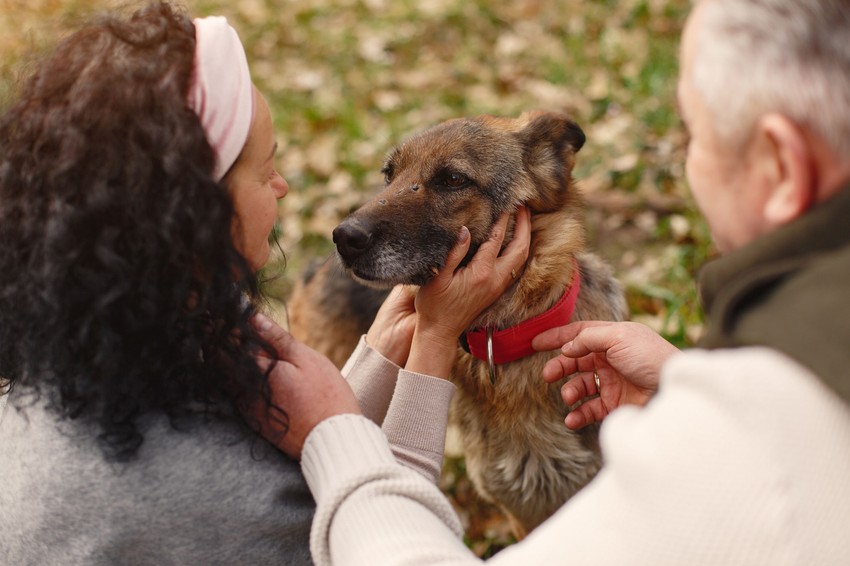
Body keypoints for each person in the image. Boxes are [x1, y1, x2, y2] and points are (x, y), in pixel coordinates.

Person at [257, 0, 850, 564]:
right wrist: (679, 382)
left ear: (782, 165)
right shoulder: (786, 371)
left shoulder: (755, 440)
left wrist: (336, 440)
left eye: (692, 136)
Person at [0, 2, 531, 564]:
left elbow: (306, 443)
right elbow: (389, 529)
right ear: (195, 210)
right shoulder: (229, 500)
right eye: (263, 168)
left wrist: (381, 351)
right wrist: (434, 343)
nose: (280, 185)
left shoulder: (86, 365)